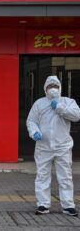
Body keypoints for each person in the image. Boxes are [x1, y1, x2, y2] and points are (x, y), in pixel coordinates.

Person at [27, 76, 80, 216]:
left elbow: (77, 115)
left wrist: (59, 107)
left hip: (63, 147)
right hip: (43, 146)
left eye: (55, 86)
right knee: (42, 176)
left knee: (65, 177)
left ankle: (68, 206)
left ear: (60, 87)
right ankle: (43, 205)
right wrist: (35, 132)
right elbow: (31, 121)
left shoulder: (68, 102)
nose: (53, 89)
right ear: (45, 88)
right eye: (50, 86)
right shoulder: (39, 103)